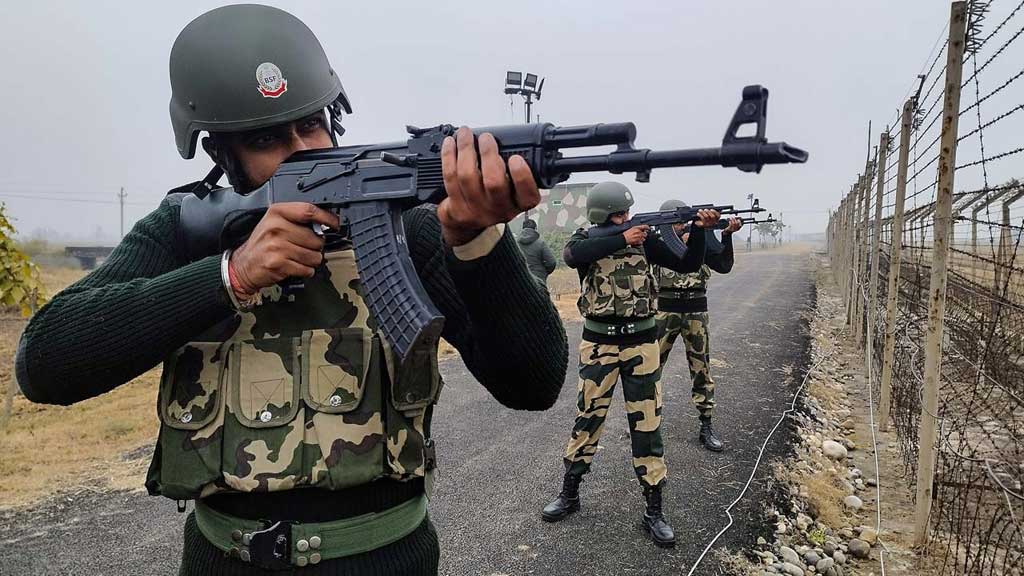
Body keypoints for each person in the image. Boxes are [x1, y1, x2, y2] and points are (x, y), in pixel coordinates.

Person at [14, 5, 567, 575]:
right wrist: (230, 277)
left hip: (386, 559)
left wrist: (476, 240)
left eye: (312, 125)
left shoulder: (413, 228)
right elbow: (44, 363)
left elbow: (535, 383)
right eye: (267, 139)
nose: (304, 150)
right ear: (221, 155)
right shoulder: (186, 230)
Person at [540, 182, 719, 548]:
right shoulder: (586, 239)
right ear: (603, 216)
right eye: (620, 215)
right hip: (599, 345)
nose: (626, 219)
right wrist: (623, 238)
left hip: (641, 344)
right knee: (587, 418)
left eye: (627, 214)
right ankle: (570, 493)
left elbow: (686, 262)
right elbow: (572, 256)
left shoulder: (647, 240)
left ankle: (654, 510)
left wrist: (699, 232)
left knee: (648, 423)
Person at [653, 199, 741, 453]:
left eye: (682, 221)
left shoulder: (699, 238)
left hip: (696, 310)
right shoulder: (657, 243)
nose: (680, 226)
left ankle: (706, 425)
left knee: (701, 370)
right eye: (675, 222)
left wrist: (723, 237)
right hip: (664, 310)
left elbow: (724, 265)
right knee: (651, 369)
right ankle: (648, 422)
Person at [517, 218, 557, 283]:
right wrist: (544, 272)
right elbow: (552, 262)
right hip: (538, 279)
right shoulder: (541, 243)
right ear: (535, 229)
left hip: (521, 279)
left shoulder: (516, 244)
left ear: (523, 228)